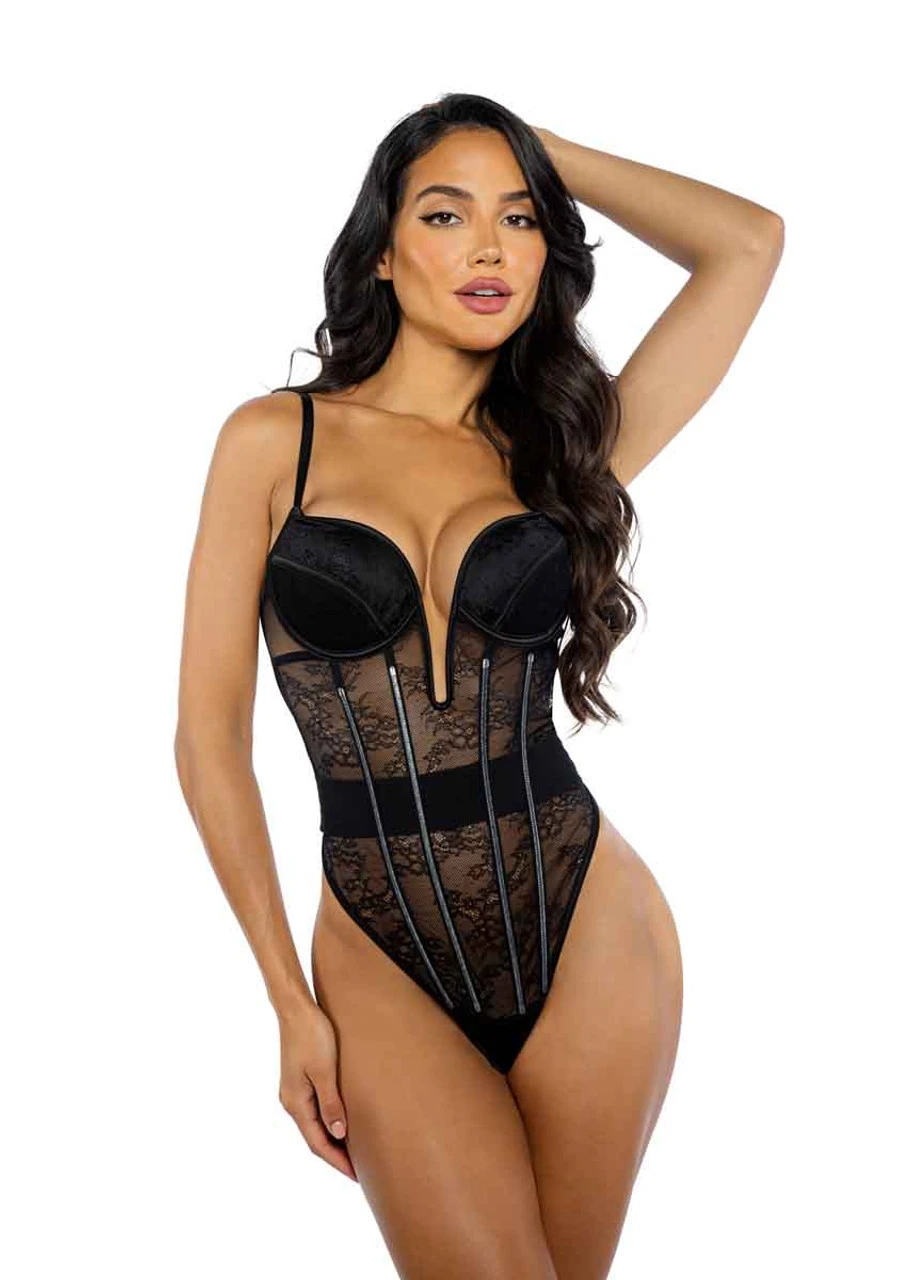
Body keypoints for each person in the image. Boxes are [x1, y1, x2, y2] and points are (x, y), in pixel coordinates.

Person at [174, 93, 784, 1279]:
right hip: (376, 945)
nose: (489, 247)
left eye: (519, 218)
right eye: (446, 214)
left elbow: (746, 242)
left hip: (586, 922)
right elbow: (207, 737)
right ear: (382, 249)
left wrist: (538, 148)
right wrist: (286, 999)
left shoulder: (558, 452)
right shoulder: (272, 440)